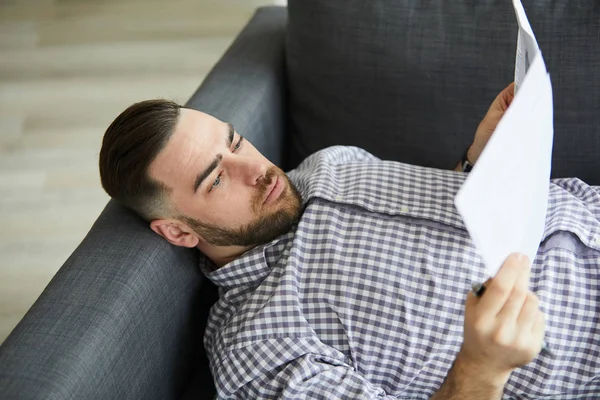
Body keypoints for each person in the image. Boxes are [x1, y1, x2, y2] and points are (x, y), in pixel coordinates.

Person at [99, 83, 600, 399]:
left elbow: (438, 229)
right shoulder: (256, 348)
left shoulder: (329, 161)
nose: (257, 168)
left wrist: (478, 161)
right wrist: (482, 369)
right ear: (179, 231)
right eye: (217, 179)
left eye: (234, 141)